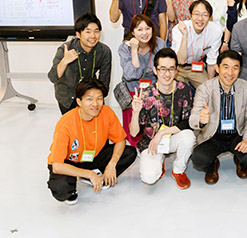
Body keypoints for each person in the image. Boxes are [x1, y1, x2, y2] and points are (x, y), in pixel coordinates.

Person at [47, 79, 137, 205]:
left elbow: (120, 140)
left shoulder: (106, 112)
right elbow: (57, 166)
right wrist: (89, 174)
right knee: (61, 189)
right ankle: (84, 178)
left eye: (99, 98)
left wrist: (112, 163)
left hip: (94, 156)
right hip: (69, 161)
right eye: (89, 99)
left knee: (130, 153)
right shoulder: (65, 124)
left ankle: (100, 175)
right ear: (79, 101)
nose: (95, 104)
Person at [189, 50, 247, 185]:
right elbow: (193, 119)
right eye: (225, 67)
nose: (230, 73)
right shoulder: (205, 88)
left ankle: (241, 162)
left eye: (235, 68)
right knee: (198, 159)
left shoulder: (246, 87)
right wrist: (201, 120)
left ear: (240, 70)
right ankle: (212, 165)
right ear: (217, 68)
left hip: (237, 134)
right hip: (213, 135)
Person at [129, 48, 195, 189]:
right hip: (152, 142)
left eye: (171, 69)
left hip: (172, 137)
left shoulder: (183, 89)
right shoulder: (146, 94)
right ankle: (159, 160)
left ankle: (178, 170)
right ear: (155, 70)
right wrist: (135, 112)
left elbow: (187, 122)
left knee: (189, 137)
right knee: (149, 178)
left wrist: (162, 132)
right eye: (162, 69)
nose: (167, 74)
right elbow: (134, 133)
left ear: (177, 70)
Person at [48, 13, 112, 115]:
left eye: (96, 31)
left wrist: (96, 100)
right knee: (72, 129)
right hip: (67, 97)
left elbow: (104, 82)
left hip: (90, 96)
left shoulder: (104, 51)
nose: (92, 36)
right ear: (78, 34)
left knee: (92, 129)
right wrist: (64, 61)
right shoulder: (65, 49)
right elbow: (53, 77)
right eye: (88, 32)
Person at [117, 15, 166, 146]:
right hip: (134, 89)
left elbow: (164, 69)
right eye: (139, 29)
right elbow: (131, 74)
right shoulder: (124, 47)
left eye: (147, 28)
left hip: (154, 88)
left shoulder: (160, 44)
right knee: (133, 119)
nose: (144, 33)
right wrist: (134, 50)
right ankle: (135, 146)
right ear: (132, 32)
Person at [171, 0, 223, 90]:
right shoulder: (179, 29)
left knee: (208, 90)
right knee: (179, 91)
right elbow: (181, 60)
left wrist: (210, 85)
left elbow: (211, 61)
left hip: (197, 67)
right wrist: (184, 35)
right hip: (178, 68)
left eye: (205, 15)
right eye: (196, 14)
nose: (200, 19)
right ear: (190, 15)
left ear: (210, 18)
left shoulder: (216, 31)